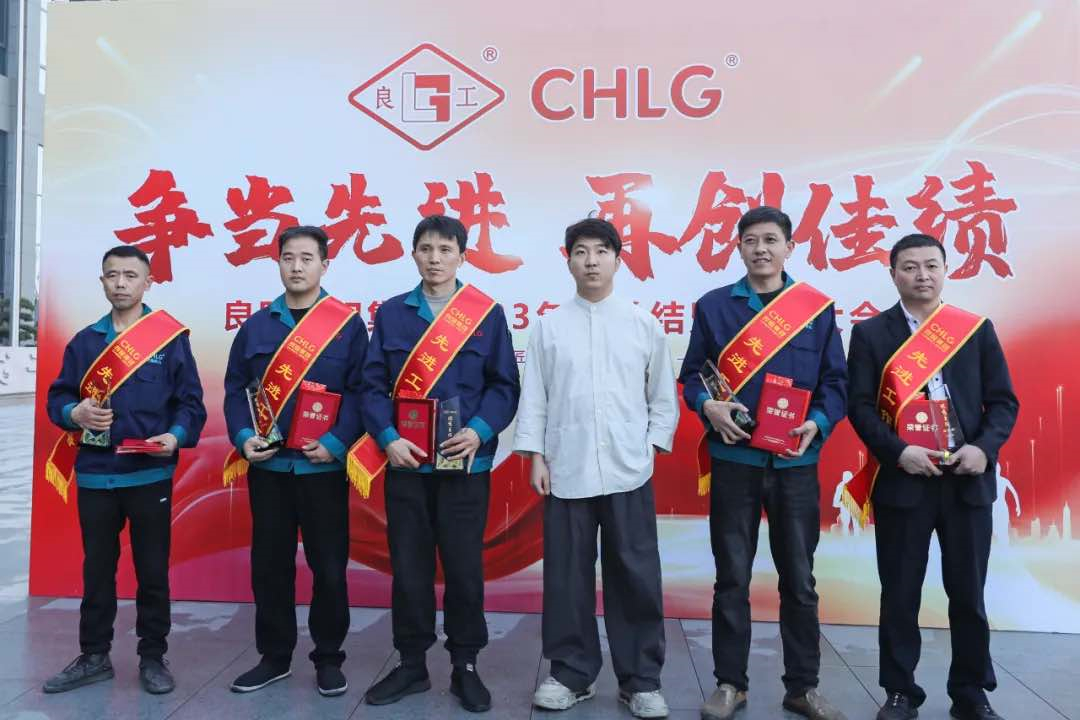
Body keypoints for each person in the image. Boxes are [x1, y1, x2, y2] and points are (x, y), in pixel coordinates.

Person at [678, 206, 847, 720]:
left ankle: (803, 687)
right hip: (735, 460)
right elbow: (692, 376)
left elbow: (836, 382)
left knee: (800, 578)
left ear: (789, 248)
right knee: (731, 576)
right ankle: (730, 684)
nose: (761, 249)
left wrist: (818, 421)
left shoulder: (815, 309)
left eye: (771, 240)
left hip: (795, 463)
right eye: (750, 240)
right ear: (738, 247)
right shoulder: (713, 307)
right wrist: (707, 406)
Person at [846, 233, 1018, 720]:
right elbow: (860, 407)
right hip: (905, 481)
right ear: (893, 274)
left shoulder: (974, 330)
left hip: (966, 482)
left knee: (968, 594)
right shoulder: (870, 334)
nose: (921, 275)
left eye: (931, 265)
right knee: (900, 593)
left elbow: (1003, 403)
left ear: (946, 270)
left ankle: (971, 692)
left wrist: (983, 449)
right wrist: (899, 452)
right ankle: (900, 691)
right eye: (910, 267)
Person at [513, 218, 678, 719]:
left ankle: (641, 680)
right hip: (567, 466)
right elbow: (535, 396)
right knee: (567, 577)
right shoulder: (549, 327)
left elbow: (662, 397)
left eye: (601, 251)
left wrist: (650, 447)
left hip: (629, 470)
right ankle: (571, 673)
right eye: (581, 251)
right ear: (568, 260)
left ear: (618, 259)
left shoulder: (642, 323)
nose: (591, 261)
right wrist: (535, 455)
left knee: (635, 574)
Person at [360, 215, 520, 713]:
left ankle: (465, 666)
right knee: (409, 569)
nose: (435, 258)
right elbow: (371, 386)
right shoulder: (392, 314)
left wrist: (480, 431)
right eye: (426, 249)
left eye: (445, 250)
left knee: (464, 568)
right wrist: (387, 439)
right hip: (406, 466)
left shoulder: (485, 314)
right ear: (413, 254)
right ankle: (411, 665)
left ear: (462, 257)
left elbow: (504, 385)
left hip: (464, 468)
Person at [43, 245, 207, 695]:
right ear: (102, 281)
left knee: (152, 569)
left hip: (149, 475)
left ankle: (153, 656)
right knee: (97, 570)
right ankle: (94, 655)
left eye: (130, 276)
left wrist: (175, 435)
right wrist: (74, 413)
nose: (120, 283)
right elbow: (58, 398)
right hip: (96, 474)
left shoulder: (169, 340)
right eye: (112, 275)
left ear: (147, 282)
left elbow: (190, 403)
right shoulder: (85, 342)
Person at [223, 226, 368, 697]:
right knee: (269, 566)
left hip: (322, 468)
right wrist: (244, 437)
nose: (297, 266)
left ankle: (328, 658)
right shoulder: (257, 327)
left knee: (329, 567)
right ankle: (274, 656)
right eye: (288, 257)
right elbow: (234, 391)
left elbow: (362, 392)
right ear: (278, 263)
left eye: (307, 258)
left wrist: (338, 442)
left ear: (325, 264)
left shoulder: (346, 325)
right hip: (269, 469)